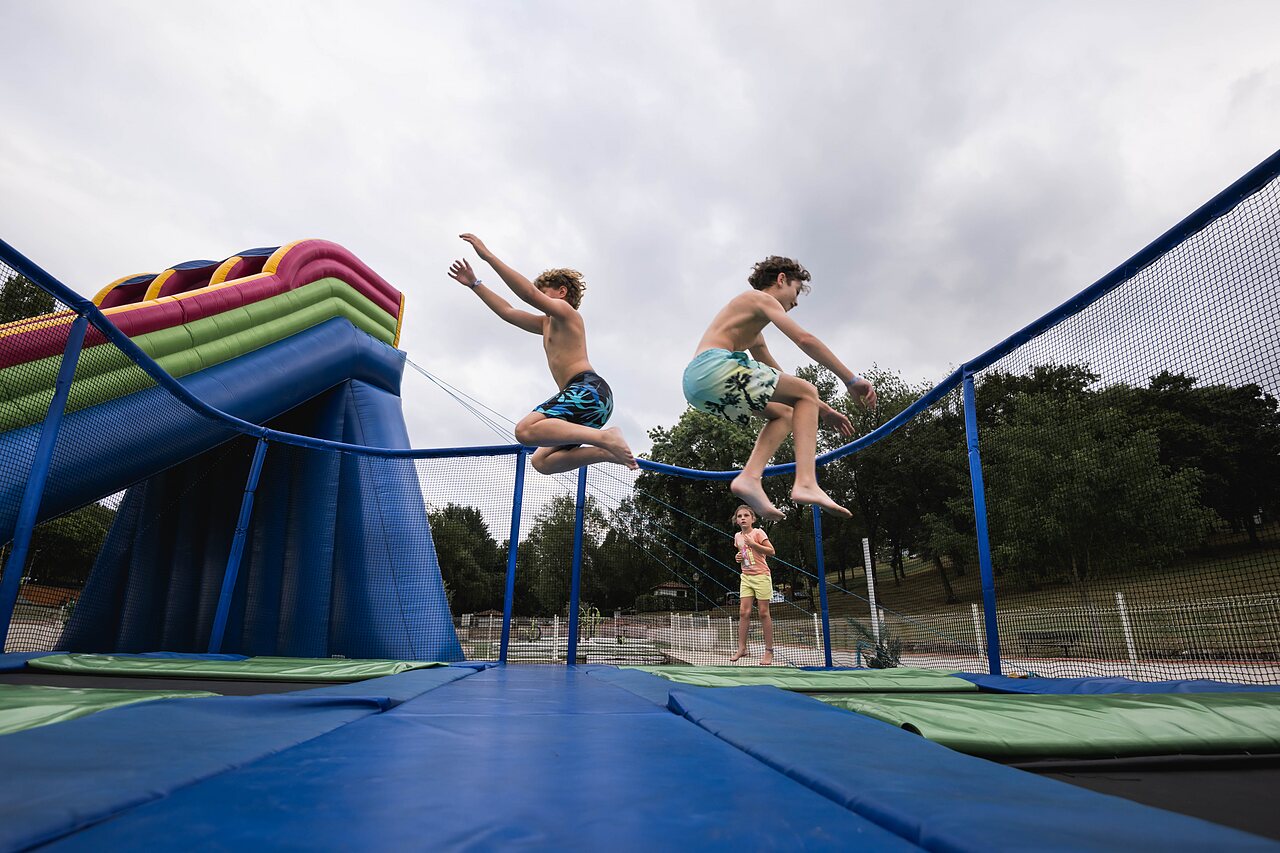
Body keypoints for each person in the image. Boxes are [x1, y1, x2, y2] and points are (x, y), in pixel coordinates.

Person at [683, 255, 877, 520]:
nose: (795, 302)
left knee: (786, 413)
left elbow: (779, 378)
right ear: (781, 279)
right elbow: (804, 339)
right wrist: (851, 380)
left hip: (699, 386)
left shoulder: (755, 335)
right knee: (806, 391)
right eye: (796, 292)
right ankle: (806, 482)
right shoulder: (758, 298)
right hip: (712, 367)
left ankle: (749, 478)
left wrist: (824, 410)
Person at [448, 234, 637, 474]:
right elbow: (507, 312)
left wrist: (488, 257)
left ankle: (605, 437)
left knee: (525, 430)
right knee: (542, 462)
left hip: (587, 389)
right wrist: (475, 284)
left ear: (561, 292)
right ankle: (606, 451)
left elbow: (528, 294)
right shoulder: (546, 323)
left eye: (543, 293)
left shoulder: (566, 312)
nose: (538, 299)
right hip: (591, 399)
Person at [729, 504, 776, 665]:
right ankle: (742, 648)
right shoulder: (737, 537)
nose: (743, 518)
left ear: (753, 519)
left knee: (763, 612)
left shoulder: (758, 533)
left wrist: (754, 544)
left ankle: (768, 651)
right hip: (746, 577)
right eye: (740, 516)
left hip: (761, 576)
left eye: (746, 515)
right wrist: (738, 557)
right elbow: (743, 553)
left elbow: (771, 551)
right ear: (736, 520)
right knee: (744, 612)